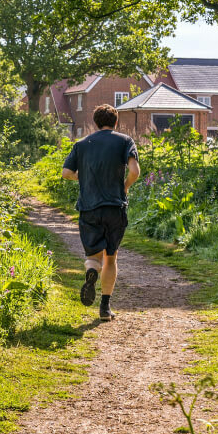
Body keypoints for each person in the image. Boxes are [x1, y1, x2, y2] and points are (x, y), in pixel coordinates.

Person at [60, 104, 141, 321]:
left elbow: (66, 172)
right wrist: (125, 186)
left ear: (95, 123)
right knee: (111, 258)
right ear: (116, 122)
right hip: (115, 208)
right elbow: (135, 171)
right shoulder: (125, 141)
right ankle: (105, 308)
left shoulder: (82, 144)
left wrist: (83, 176)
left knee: (92, 256)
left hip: (89, 208)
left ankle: (91, 271)